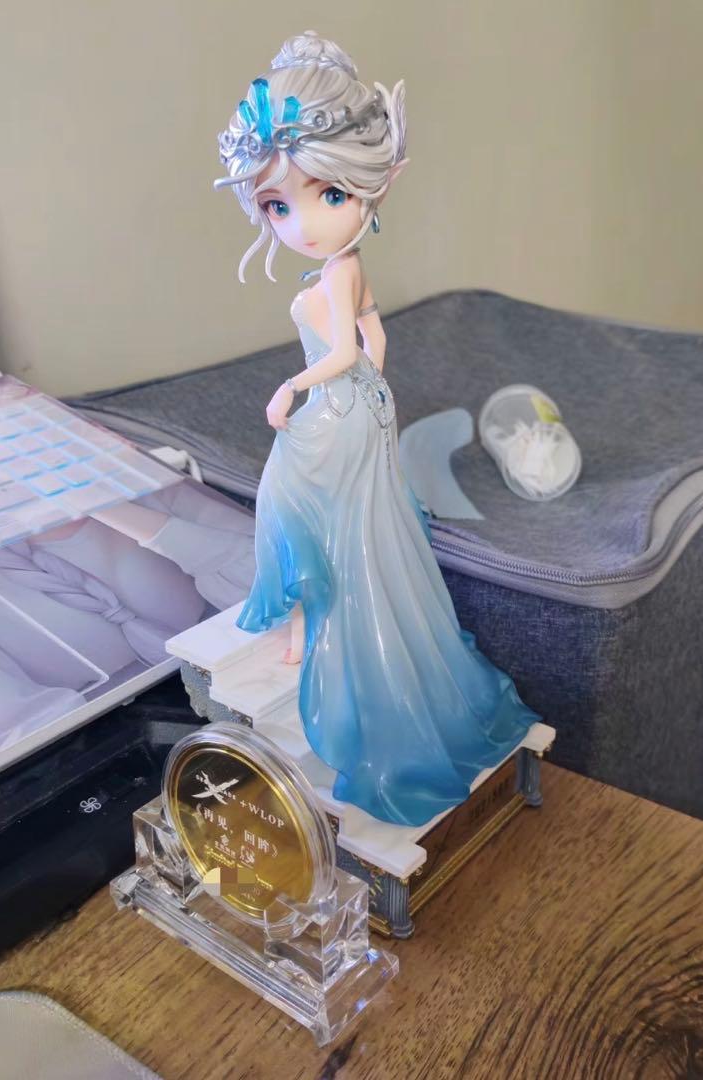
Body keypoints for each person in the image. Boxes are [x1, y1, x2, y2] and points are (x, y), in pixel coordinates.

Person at [213, 31, 539, 828]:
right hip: (354, 407)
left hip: (336, 406)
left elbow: (345, 348)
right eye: (278, 206)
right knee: (318, 512)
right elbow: (373, 336)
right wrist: (372, 390)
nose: (303, 223)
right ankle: (304, 623)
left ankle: (307, 624)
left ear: (367, 185)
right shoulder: (343, 270)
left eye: (328, 195)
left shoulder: (340, 268)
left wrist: (298, 385)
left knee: (297, 505)